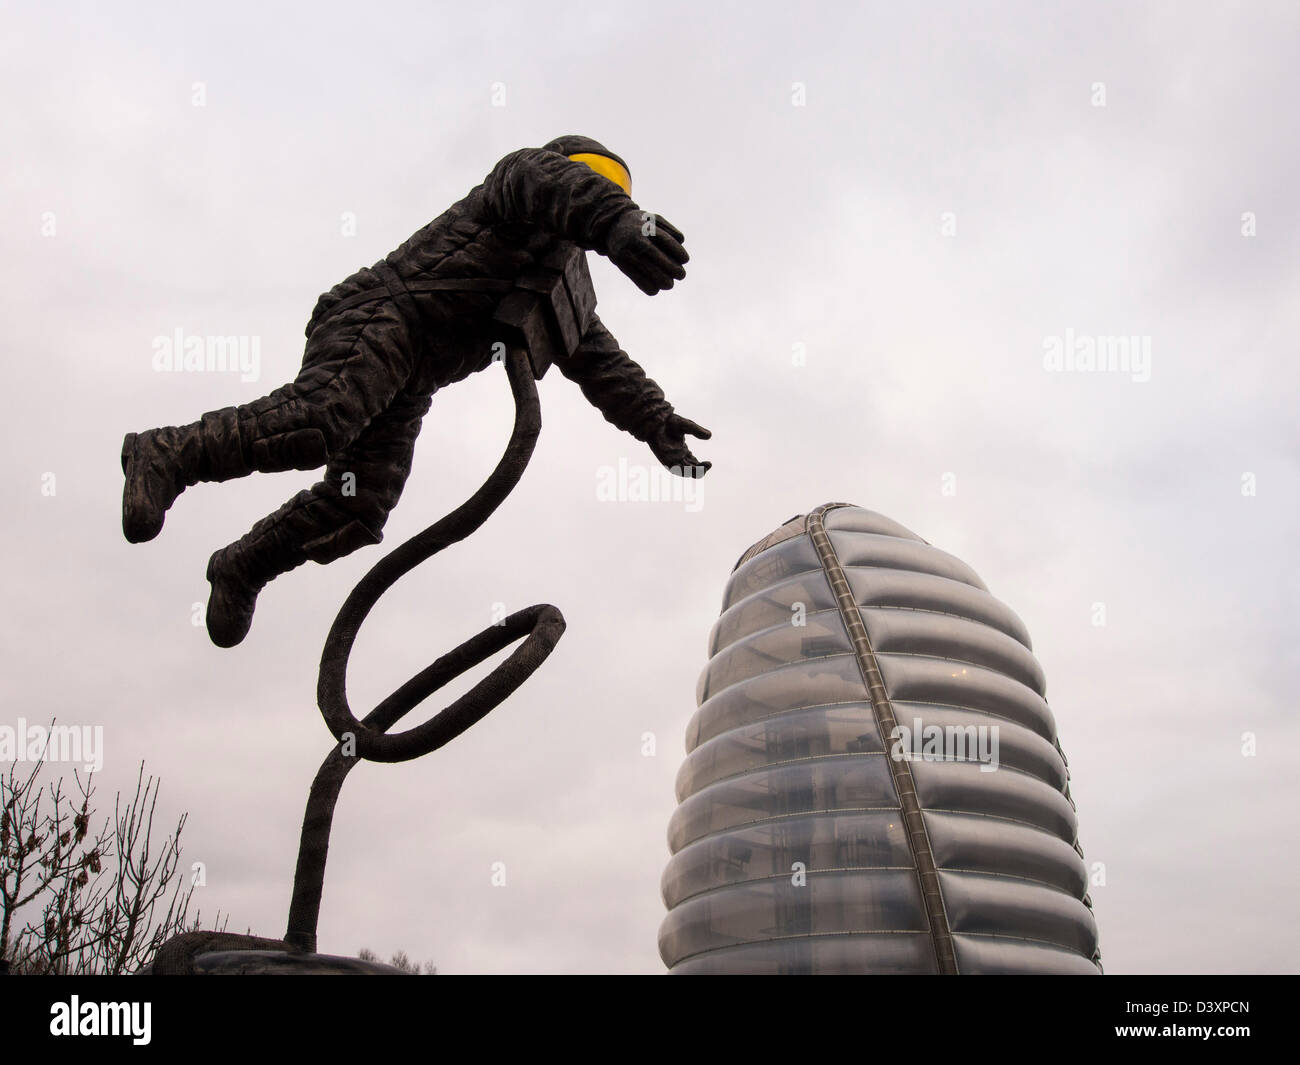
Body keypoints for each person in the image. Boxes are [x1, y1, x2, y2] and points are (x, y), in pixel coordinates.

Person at [121, 135, 710, 647]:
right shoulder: (519, 183)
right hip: (382, 314)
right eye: (594, 183)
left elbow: (599, 361)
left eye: (613, 192)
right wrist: (617, 222)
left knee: (359, 507)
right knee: (321, 419)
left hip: (412, 377)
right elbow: (547, 184)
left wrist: (656, 421)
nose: (597, 195)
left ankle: (243, 565)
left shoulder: (559, 282)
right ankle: (167, 452)